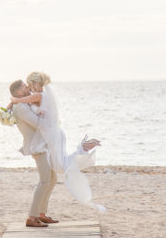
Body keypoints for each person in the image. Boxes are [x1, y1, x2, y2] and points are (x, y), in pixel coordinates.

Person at [9, 78, 102, 228]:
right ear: (19, 92)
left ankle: (41, 214)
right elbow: (38, 124)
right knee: (45, 180)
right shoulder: (20, 108)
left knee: (51, 180)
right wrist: (46, 113)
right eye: (25, 86)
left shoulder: (23, 104)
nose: (27, 87)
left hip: (44, 145)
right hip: (37, 147)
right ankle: (31, 217)